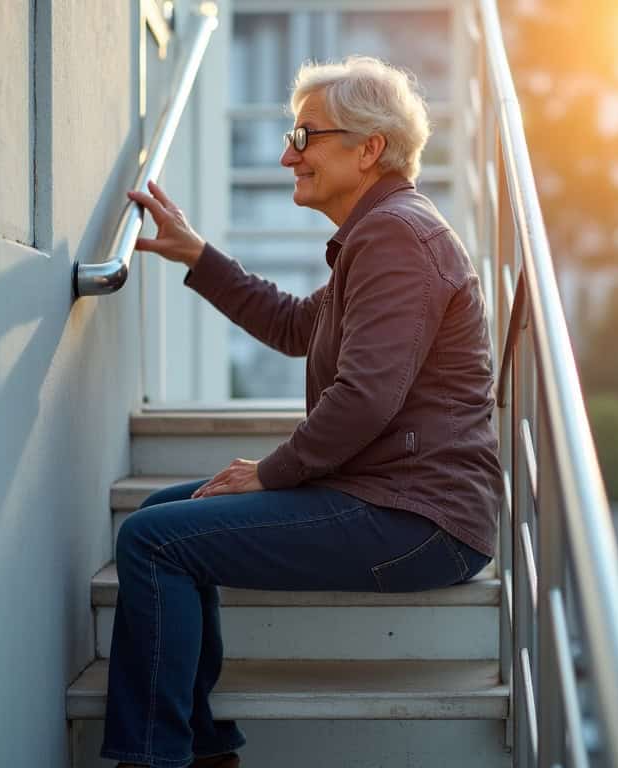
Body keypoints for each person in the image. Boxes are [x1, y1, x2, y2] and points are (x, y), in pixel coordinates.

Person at [100, 55, 503, 768]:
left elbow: (365, 397)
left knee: (154, 539)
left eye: (305, 136)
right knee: (165, 515)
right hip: (393, 500)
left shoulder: (397, 237)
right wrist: (198, 255)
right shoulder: (381, 235)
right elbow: (294, 325)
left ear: (368, 149)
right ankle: (199, 748)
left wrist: (271, 472)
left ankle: (158, 758)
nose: (289, 155)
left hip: (419, 518)